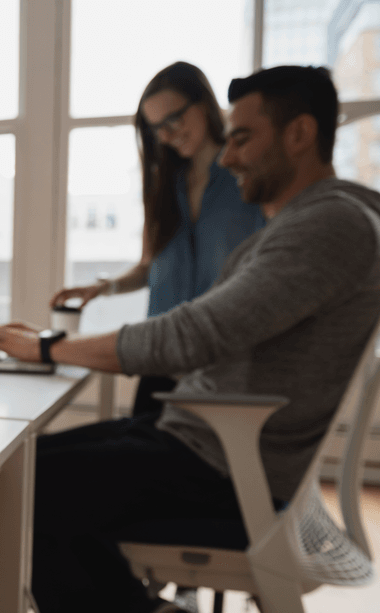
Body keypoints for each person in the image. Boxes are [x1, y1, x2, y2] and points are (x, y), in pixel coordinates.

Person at [0, 66, 380, 613]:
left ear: (300, 134)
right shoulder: (318, 221)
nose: (229, 155)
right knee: (19, 463)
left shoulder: (328, 226)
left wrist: (47, 347)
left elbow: (197, 333)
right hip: (208, 433)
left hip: (227, 464)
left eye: (243, 138)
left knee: (18, 482)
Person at [52, 62, 265, 417]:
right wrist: (102, 287)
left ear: (204, 104)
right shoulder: (163, 184)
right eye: (155, 129)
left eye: (174, 119)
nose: (166, 135)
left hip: (220, 366)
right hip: (162, 359)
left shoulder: (248, 180)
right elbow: (149, 266)